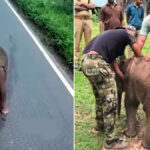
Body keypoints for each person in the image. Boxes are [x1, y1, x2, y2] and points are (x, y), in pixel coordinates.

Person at [81, 26, 150, 149]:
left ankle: (99, 126)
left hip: (85, 61)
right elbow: (137, 51)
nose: (132, 40)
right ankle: (110, 141)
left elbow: (112, 61)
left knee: (100, 97)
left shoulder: (109, 38)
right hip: (97, 63)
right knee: (110, 102)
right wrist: (143, 60)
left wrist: (120, 75)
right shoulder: (126, 34)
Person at [74, 0, 95, 69]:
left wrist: (82, 4)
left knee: (88, 42)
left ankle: (86, 61)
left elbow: (93, 7)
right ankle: (76, 61)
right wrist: (86, 7)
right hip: (78, 20)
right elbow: (75, 7)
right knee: (77, 42)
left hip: (88, 20)